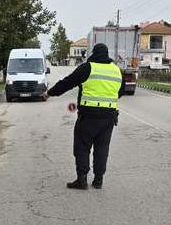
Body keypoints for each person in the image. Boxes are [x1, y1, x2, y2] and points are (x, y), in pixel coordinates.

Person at [43, 43, 125, 190]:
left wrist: (49, 93)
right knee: (102, 148)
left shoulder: (88, 67)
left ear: (93, 53)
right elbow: (120, 91)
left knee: (82, 147)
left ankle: (82, 180)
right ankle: (98, 180)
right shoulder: (117, 71)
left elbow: (68, 83)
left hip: (88, 115)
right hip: (108, 117)